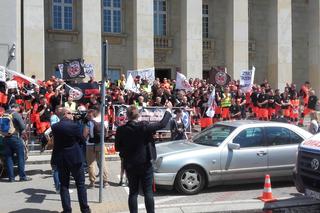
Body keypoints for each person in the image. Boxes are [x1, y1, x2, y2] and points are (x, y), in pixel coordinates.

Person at [115, 102, 173, 213]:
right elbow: (162, 124)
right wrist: (168, 110)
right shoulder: (144, 126)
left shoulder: (121, 130)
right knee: (148, 192)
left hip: (130, 164)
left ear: (127, 116)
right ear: (138, 115)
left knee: (133, 193)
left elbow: (117, 147)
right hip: (145, 163)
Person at [51, 107, 91, 213]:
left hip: (61, 158)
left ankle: (67, 210)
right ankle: (85, 209)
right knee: (80, 184)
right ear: (66, 114)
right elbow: (82, 140)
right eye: (70, 113)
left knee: (64, 185)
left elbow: (56, 143)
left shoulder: (55, 127)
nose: (72, 115)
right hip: (75, 158)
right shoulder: (75, 126)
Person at [2, 103, 31, 182]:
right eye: (19, 108)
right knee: (20, 157)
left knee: (8, 158)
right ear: (16, 108)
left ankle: (11, 178)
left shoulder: (4, 114)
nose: (19, 110)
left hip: (5, 138)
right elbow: (22, 126)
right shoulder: (15, 114)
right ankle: (22, 177)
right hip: (15, 137)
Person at [83, 107, 108, 188]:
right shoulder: (103, 122)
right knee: (102, 163)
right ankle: (105, 182)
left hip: (90, 145)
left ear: (90, 115)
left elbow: (84, 135)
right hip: (100, 144)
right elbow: (106, 134)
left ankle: (92, 183)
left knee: (91, 164)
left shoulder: (89, 123)